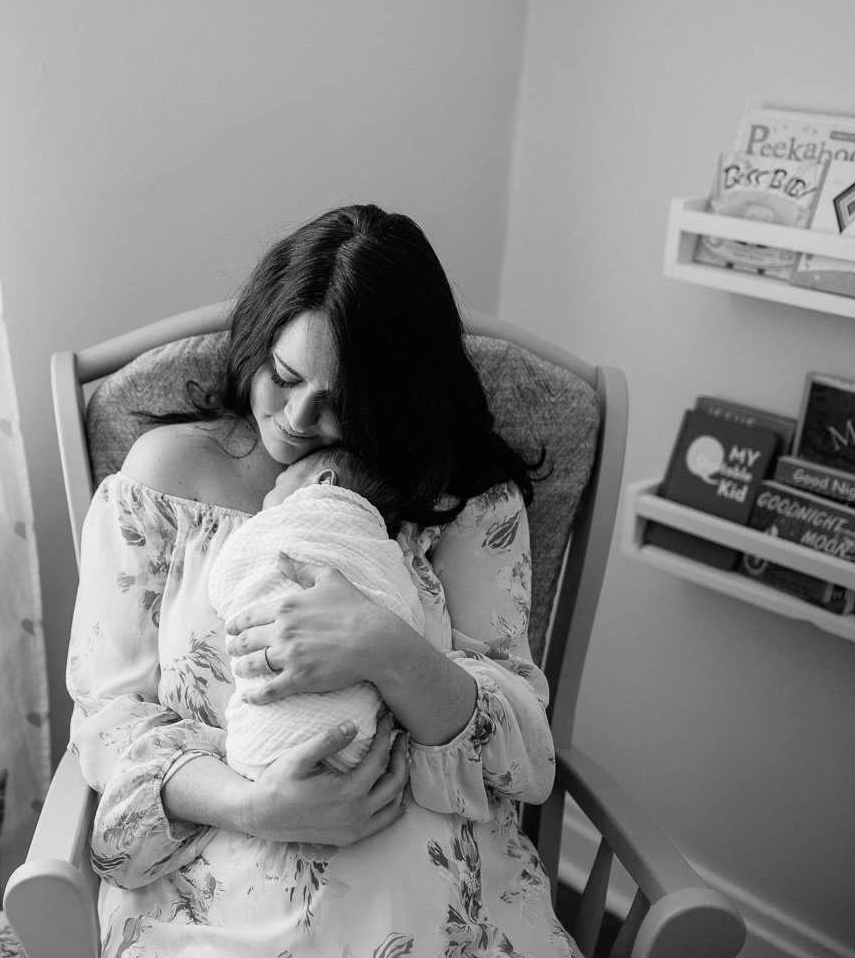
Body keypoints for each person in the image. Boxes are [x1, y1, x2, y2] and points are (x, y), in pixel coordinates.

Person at [66, 205, 574, 956]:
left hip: (430, 892)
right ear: (261, 340)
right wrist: (256, 806)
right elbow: (110, 724)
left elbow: (523, 754)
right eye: (286, 376)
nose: (299, 417)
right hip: (223, 867)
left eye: (342, 402)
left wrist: (384, 646)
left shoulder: (463, 504)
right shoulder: (162, 482)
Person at [214, 446, 429, 781]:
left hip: (261, 752)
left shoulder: (278, 527)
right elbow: (411, 616)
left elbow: (224, 579)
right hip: (355, 749)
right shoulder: (385, 551)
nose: (267, 499)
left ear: (323, 482)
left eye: (278, 484)